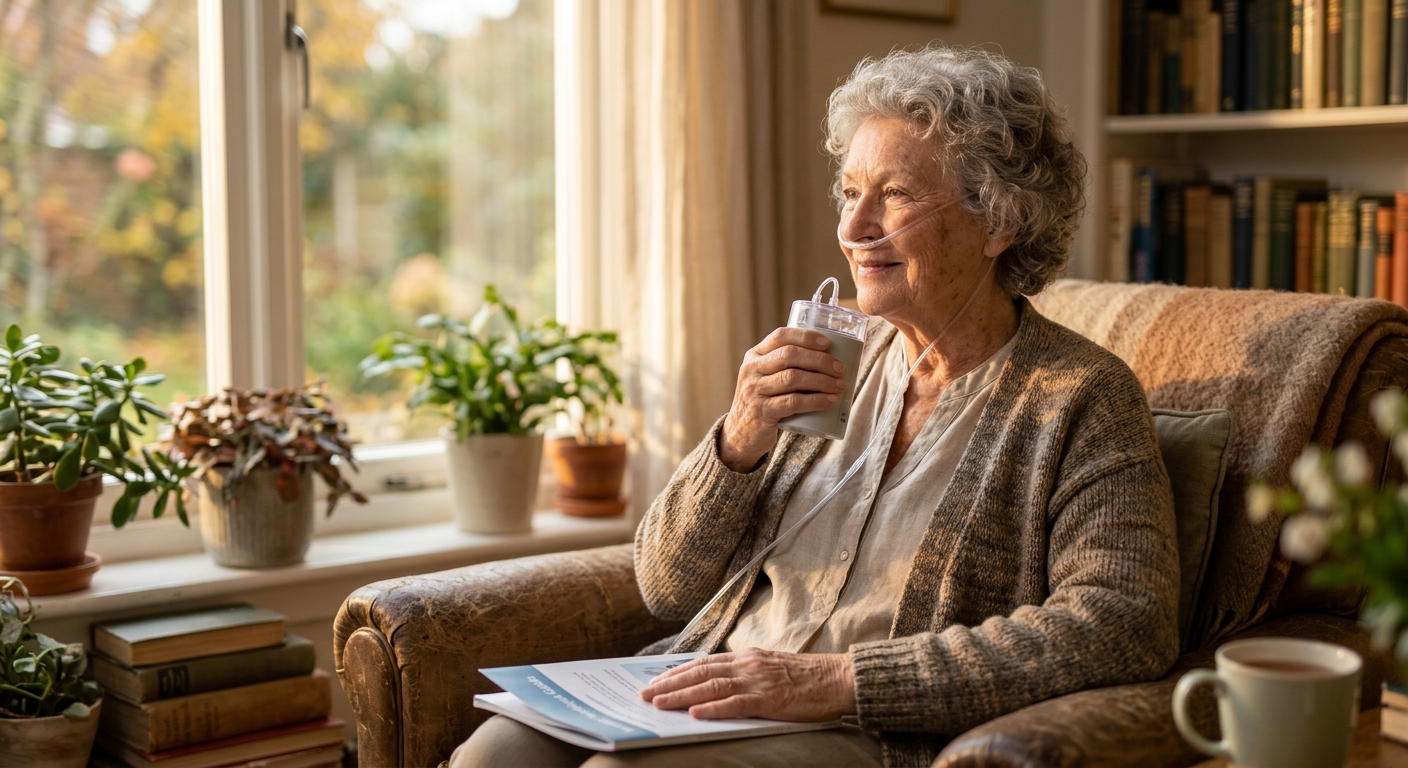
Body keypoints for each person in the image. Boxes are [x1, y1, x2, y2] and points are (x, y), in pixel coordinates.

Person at [452, 45, 1179, 768]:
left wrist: (835, 681)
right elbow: (665, 586)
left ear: (998, 221)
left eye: (893, 195)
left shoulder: (1080, 397)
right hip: (711, 691)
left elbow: (1122, 624)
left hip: (858, 728)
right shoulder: (836, 362)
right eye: (849, 191)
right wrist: (738, 441)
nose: (853, 227)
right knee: (492, 756)